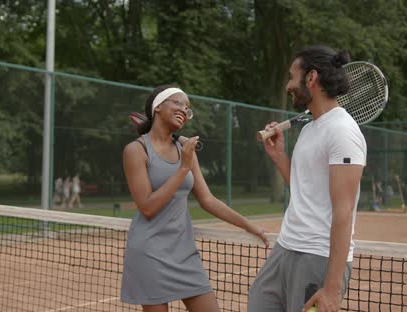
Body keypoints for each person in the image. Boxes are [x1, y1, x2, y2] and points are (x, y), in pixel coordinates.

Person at [121, 85, 269, 311]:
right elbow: (147, 207)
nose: (184, 109)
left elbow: (207, 200)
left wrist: (248, 225)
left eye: (188, 108)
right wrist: (182, 169)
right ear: (158, 107)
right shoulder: (136, 150)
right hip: (149, 253)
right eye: (178, 102)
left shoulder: (185, 150)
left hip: (184, 252)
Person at [248, 45, 367, 312]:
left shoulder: (343, 132)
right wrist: (279, 156)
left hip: (318, 257)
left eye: (292, 76)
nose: (289, 85)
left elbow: (343, 211)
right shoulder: (310, 128)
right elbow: (304, 190)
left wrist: (332, 288)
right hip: (285, 247)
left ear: (311, 78)